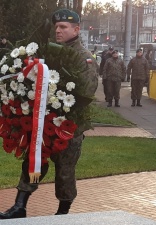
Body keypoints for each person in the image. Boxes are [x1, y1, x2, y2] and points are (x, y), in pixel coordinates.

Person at [0, 9, 98, 219]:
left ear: (76, 29)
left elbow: (87, 92)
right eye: (56, 27)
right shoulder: (48, 52)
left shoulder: (84, 58)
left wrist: (59, 107)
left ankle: (63, 213)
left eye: (63, 27)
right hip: (43, 125)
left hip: (68, 127)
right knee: (34, 162)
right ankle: (19, 206)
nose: (58, 31)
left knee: (65, 171)